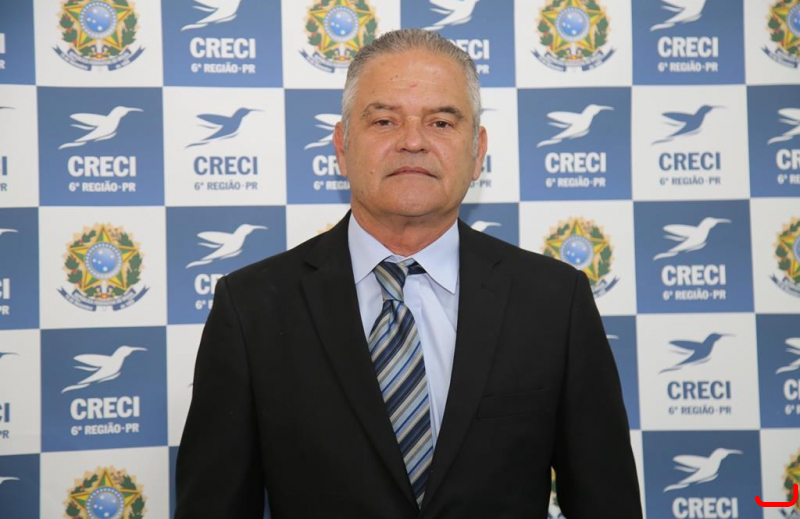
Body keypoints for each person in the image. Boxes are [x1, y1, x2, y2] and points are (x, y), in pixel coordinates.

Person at [175, 29, 642, 518]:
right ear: (342, 147)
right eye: (384, 121)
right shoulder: (251, 308)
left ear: (478, 151)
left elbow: (607, 504)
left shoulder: (555, 301)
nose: (413, 142)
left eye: (441, 122)